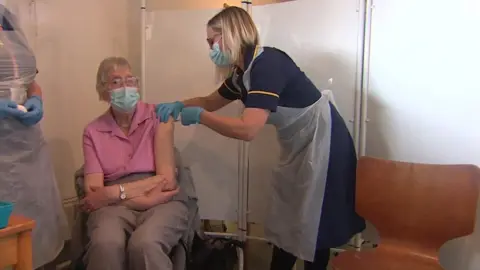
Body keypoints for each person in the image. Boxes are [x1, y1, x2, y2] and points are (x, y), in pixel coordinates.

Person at [155, 6, 366, 270]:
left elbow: (248, 130)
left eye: (213, 40)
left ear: (231, 33)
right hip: (299, 145)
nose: (210, 48)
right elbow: (210, 101)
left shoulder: (267, 63)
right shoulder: (242, 74)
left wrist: (199, 117)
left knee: (315, 225)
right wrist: (177, 105)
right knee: (290, 218)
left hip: (325, 143)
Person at [79, 56, 189, 270]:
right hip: (119, 206)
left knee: (145, 244)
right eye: (116, 82)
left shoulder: (160, 116)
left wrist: (112, 193)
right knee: (105, 244)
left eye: (130, 80)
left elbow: (166, 181)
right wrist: (140, 200)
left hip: (162, 202)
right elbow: (94, 193)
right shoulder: (92, 131)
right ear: (103, 92)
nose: (125, 87)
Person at [0, 5, 69, 269]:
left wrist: (36, 98)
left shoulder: (8, 19)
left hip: (27, 141)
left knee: (36, 227)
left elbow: (29, 79)